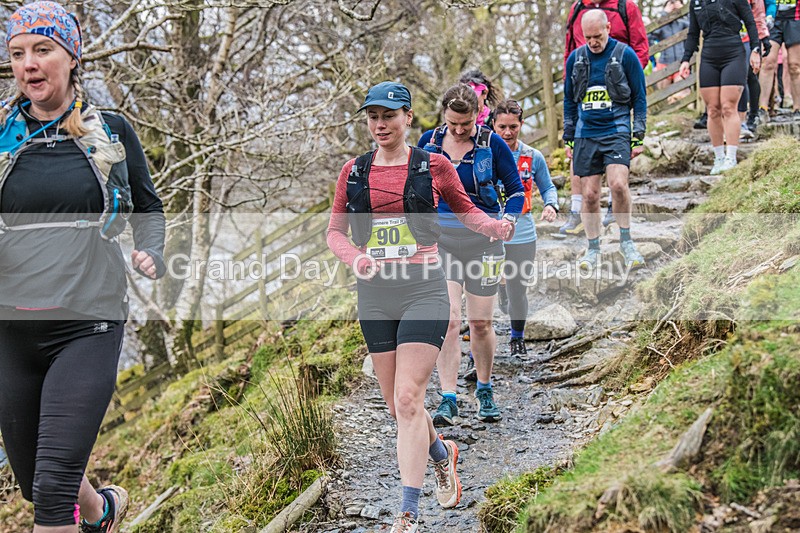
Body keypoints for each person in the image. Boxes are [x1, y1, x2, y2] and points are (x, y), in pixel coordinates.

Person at [0, 2, 166, 533]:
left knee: (51, 491)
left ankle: (79, 513)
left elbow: (148, 206)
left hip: (87, 322)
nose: (29, 64)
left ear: (71, 57)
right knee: (34, 482)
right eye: (18, 53)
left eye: (42, 50)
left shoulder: (109, 133)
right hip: (11, 327)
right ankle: (101, 512)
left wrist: (151, 251)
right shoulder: (3, 140)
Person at [327, 81, 514, 533]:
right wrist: (357, 257)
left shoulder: (434, 165)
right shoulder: (353, 172)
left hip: (423, 289)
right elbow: (334, 233)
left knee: (409, 399)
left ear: (408, 117)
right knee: (397, 408)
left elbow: (466, 209)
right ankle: (441, 452)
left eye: (389, 115)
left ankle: (408, 514)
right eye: (373, 116)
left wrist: (495, 228)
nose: (380, 124)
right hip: (375, 294)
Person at [418, 84, 524, 426]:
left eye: (465, 123)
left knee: (480, 323)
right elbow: (413, 190)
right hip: (442, 242)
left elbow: (516, 191)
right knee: (448, 321)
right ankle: (448, 397)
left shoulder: (493, 144)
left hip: (484, 242)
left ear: (477, 114)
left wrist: (508, 219)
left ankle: (484, 387)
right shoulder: (428, 144)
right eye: (453, 124)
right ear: (444, 117)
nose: (460, 130)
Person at [564, 10, 648, 270]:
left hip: (617, 130)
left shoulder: (625, 55)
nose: (593, 42)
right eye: (588, 37)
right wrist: (568, 136)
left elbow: (640, 98)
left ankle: (626, 241)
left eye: (597, 36)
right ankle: (592, 249)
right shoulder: (575, 59)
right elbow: (568, 100)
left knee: (618, 185)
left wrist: (638, 134)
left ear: (608, 28)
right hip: (585, 134)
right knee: (589, 195)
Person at [493, 100, 558, 356]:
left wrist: (551, 204)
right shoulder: (485, 156)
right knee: (488, 286)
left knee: (518, 289)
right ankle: (500, 286)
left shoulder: (533, 157)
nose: (507, 133)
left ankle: (516, 338)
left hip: (523, 232)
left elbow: (548, 186)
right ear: (493, 125)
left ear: (521, 124)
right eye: (502, 127)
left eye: (513, 127)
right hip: (489, 233)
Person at [680, 0, 761, 174]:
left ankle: (731, 157)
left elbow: (750, 22)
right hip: (709, 55)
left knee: (728, 106)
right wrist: (685, 60)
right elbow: (693, 33)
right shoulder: (696, 2)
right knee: (713, 109)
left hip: (733, 52)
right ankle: (719, 158)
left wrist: (756, 50)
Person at [758, 0, 800, 120]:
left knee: (794, 65)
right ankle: (763, 108)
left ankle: (797, 108)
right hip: (772, 18)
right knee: (767, 62)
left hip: (795, 18)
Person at [738, 0, 771, 138]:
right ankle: (737, 119)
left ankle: (753, 115)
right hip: (727, 37)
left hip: (749, 37)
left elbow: (758, 13)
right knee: (739, 77)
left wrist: (763, 37)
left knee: (750, 75)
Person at [650, 0, 690, 91]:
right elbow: (649, 36)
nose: (673, 5)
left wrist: (682, 11)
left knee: (682, 93)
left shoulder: (683, 22)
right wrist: (664, 13)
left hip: (681, 62)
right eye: (671, 3)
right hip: (664, 62)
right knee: (663, 94)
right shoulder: (661, 24)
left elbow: (693, 27)